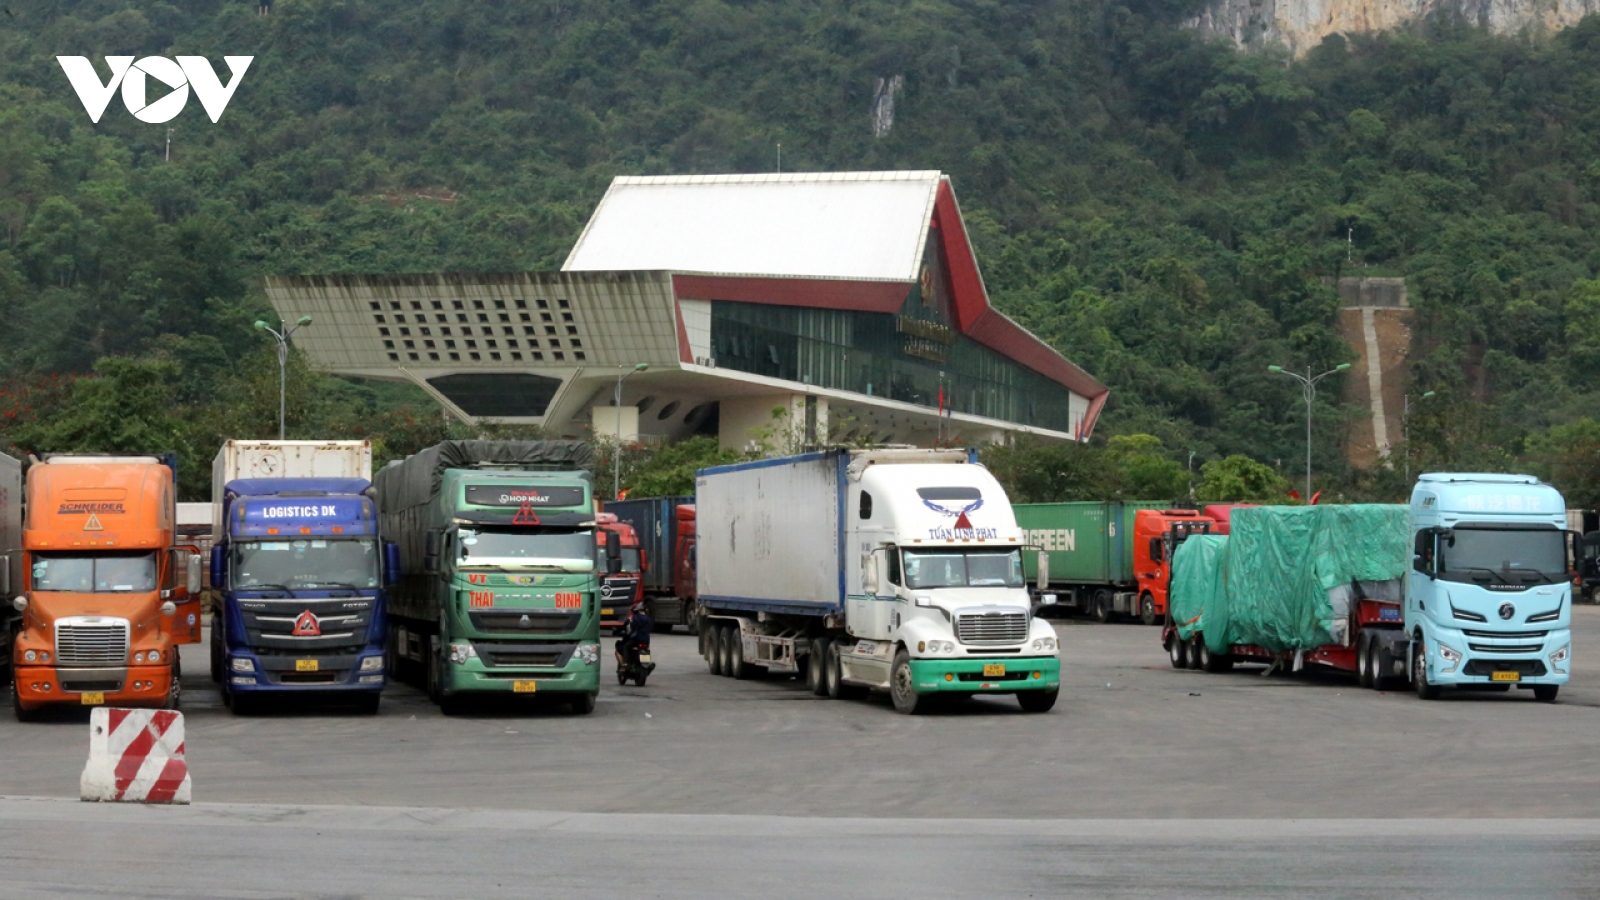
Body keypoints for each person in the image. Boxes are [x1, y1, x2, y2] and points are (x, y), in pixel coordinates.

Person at [614, 601, 653, 667]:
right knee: (647, 648)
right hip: (646, 640)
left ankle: (625, 663)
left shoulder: (632, 618)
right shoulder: (649, 618)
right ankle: (647, 663)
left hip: (635, 639)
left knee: (625, 647)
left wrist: (617, 631)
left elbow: (628, 628)